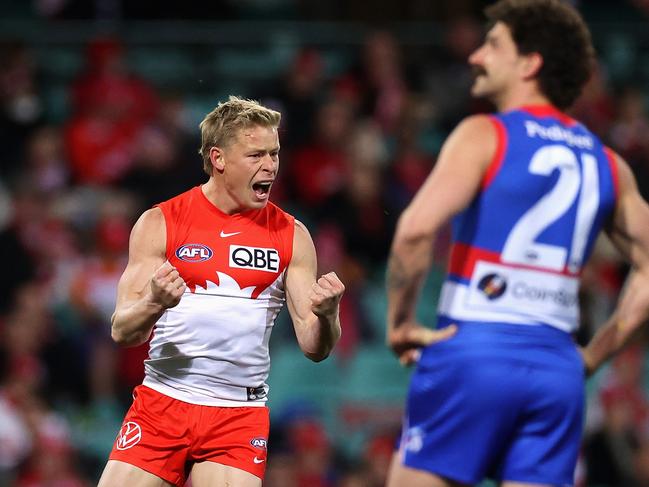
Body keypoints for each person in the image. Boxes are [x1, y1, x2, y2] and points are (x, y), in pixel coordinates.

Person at [385, 1, 649, 486]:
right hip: (558, 371)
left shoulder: (483, 135)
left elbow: (415, 231)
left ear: (530, 64)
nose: (476, 56)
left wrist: (400, 321)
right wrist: (594, 355)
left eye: (493, 45)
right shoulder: (608, 164)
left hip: (473, 352)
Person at [97, 96, 344, 487]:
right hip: (162, 405)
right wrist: (154, 302)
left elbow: (315, 347)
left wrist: (328, 315)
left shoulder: (292, 235)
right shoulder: (161, 222)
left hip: (237, 416)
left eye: (275, 153)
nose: (271, 166)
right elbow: (122, 331)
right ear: (219, 159)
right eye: (256, 155)